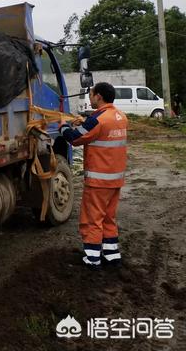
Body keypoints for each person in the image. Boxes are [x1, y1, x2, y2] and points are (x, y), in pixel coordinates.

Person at [59, 82, 127, 269]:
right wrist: (85, 121)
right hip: (115, 179)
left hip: (99, 180)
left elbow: (74, 138)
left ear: (98, 96)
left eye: (91, 94)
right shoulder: (120, 116)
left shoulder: (98, 121)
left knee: (92, 219)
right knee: (108, 218)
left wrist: (63, 126)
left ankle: (92, 258)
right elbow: (97, 130)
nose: (90, 97)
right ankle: (112, 256)